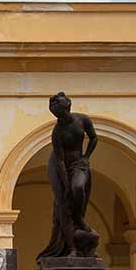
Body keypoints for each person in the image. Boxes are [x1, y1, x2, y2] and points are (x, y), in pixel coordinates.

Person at [38, 91, 99, 259]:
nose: (61, 117)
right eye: (57, 115)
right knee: (63, 204)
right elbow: (59, 161)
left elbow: (94, 138)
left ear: (68, 107)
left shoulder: (83, 120)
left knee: (78, 187)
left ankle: (79, 218)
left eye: (63, 113)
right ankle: (71, 247)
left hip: (79, 163)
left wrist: (86, 157)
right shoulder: (57, 131)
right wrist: (64, 185)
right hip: (59, 166)